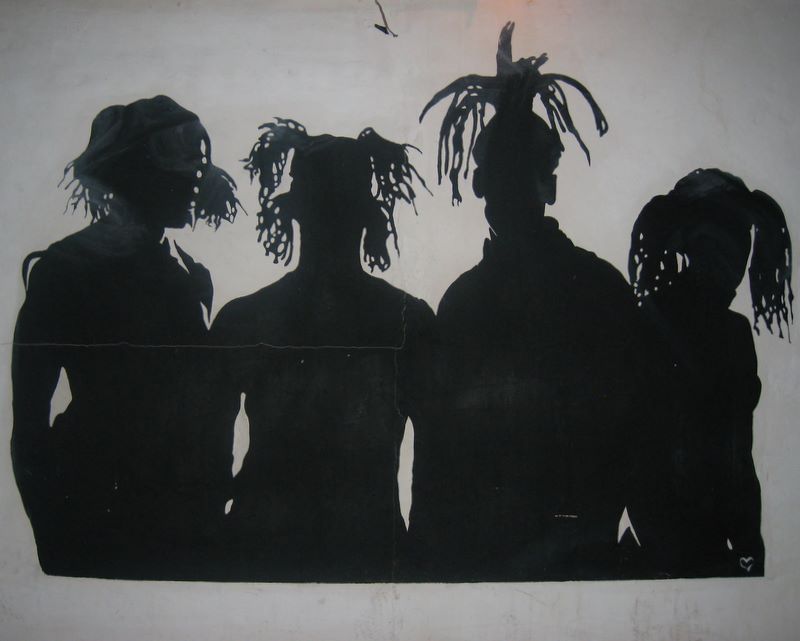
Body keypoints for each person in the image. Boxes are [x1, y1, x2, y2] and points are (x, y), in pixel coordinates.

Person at [409, 22, 646, 581]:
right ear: (480, 183)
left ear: (548, 185)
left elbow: (634, 435)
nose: (503, 187)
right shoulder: (470, 300)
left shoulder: (593, 289)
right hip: (506, 560)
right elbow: (440, 454)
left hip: (565, 558)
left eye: (518, 172)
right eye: (497, 172)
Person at [11, 95, 240, 579]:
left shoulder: (193, 275)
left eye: (196, 166)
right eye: (177, 166)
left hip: (179, 517)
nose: (194, 179)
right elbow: (28, 424)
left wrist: (211, 502)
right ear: (133, 173)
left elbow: (209, 410)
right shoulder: (63, 269)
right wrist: (51, 532)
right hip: (94, 511)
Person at [208, 119, 435, 582]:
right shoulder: (408, 320)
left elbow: (206, 461)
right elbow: (435, 464)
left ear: (295, 211)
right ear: (368, 216)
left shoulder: (245, 318)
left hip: (266, 553)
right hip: (363, 552)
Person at [626, 168, 792, 578]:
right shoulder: (720, 334)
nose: (738, 267)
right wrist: (748, 547)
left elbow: (736, 458)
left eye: (740, 251)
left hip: (676, 544)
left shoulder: (653, 321)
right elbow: (733, 459)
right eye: (728, 250)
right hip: (682, 547)